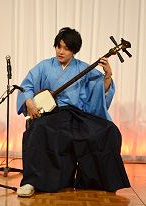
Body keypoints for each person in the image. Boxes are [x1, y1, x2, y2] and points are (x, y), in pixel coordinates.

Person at [16, 27, 130, 197]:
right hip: (53, 113)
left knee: (108, 130)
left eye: (67, 48)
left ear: (74, 51)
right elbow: (27, 85)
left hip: (76, 114)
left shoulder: (83, 68)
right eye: (59, 46)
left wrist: (107, 75)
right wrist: (29, 101)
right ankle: (32, 181)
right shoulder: (45, 65)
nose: (61, 52)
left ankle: (100, 181)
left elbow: (99, 90)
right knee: (38, 129)